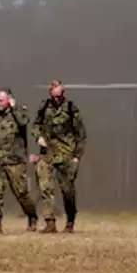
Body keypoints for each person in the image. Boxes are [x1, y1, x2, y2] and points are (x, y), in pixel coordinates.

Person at [0, 89, 37, 234]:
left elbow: (24, 121)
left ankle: (32, 216)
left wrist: (14, 107)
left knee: (21, 193)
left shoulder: (18, 113)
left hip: (15, 161)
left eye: (1, 101)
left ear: (8, 101)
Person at [31, 79, 86, 234]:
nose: (56, 99)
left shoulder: (70, 109)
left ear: (63, 94)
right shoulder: (44, 107)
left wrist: (77, 156)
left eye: (59, 96)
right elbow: (35, 125)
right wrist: (38, 137)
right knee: (45, 187)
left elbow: (81, 135)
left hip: (66, 154)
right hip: (47, 153)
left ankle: (70, 221)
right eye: (53, 96)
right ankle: (50, 222)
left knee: (67, 190)